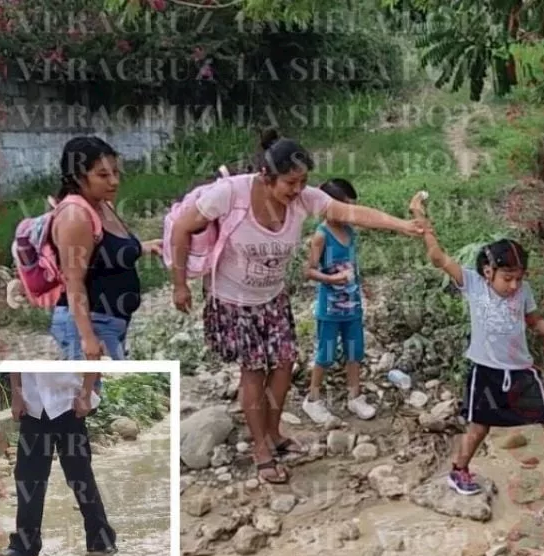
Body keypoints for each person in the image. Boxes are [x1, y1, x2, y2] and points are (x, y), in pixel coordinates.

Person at [168, 130, 429, 483]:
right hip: (233, 300)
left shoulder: (302, 198)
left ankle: (274, 433)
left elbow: (349, 211)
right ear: (266, 176)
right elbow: (182, 228)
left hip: (272, 298)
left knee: (285, 362)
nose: (297, 190)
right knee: (254, 370)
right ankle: (261, 449)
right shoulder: (231, 193)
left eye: (303, 182)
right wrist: (179, 283)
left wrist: (402, 225)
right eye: (291, 183)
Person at [413, 193, 544, 500]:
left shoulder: (523, 292)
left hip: (522, 373)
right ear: (488, 272)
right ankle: (459, 470)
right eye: (508, 279)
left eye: (519, 279)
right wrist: (422, 221)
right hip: (486, 373)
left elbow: (534, 321)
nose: (515, 286)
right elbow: (438, 258)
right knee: (478, 429)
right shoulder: (472, 284)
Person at [49, 135, 162, 362]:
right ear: (79, 178)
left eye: (116, 172)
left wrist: (144, 247)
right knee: (96, 395)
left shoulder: (102, 206)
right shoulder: (75, 216)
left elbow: (106, 253)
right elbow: (74, 280)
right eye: (102, 175)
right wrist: (87, 338)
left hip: (111, 322)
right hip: (91, 324)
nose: (114, 181)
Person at [0, 371, 116, 556]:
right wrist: (17, 394)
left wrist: (86, 394)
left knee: (80, 475)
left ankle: (101, 540)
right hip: (33, 406)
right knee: (28, 478)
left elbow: (90, 358)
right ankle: (25, 546)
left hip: (69, 404)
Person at [301, 178, 375, 424]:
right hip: (330, 308)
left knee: (355, 351)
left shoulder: (349, 232)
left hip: (352, 306)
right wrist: (331, 279)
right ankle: (313, 399)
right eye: (345, 208)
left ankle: (355, 397)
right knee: (326, 354)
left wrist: (364, 286)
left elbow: (353, 265)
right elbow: (309, 271)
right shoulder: (321, 236)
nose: (349, 214)